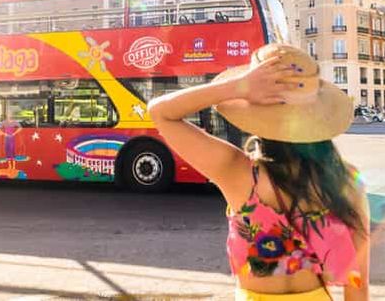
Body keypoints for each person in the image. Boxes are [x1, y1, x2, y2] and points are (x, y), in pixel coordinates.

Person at [148, 44, 370, 301]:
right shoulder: (345, 179)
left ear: (256, 112)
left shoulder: (237, 172)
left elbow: (161, 112)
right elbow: (358, 284)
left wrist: (238, 87)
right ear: (316, 115)